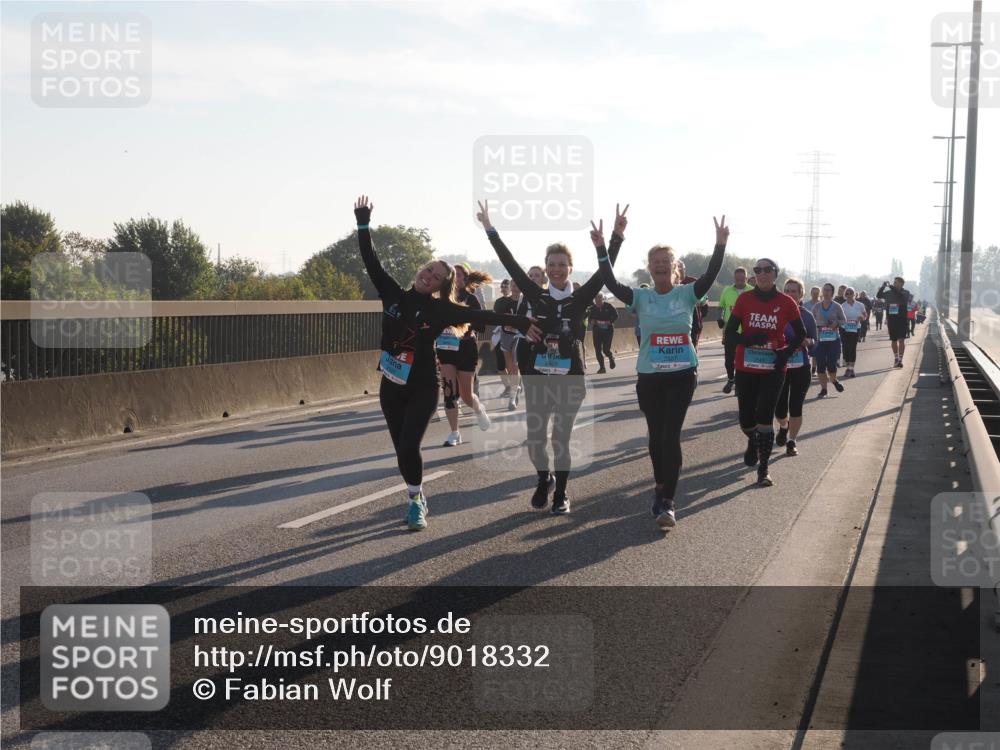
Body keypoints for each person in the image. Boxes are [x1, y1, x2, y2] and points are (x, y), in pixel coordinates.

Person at [354, 196, 541, 530]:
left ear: (441, 286)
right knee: (402, 450)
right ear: (419, 272)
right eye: (428, 270)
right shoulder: (394, 295)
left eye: (438, 276)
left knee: (410, 444)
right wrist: (363, 223)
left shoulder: (441, 310)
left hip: (423, 385)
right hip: (391, 385)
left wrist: (521, 323)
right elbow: (371, 261)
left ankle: (415, 502)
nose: (430, 275)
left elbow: (480, 314)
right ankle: (418, 491)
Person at [478, 199, 622, 515]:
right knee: (534, 439)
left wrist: (614, 238)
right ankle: (545, 479)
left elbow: (604, 273)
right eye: (551, 264)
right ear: (546, 267)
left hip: (570, 378)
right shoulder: (536, 294)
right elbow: (510, 263)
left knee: (561, 438)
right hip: (538, 377)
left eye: (561, 264)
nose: (556, 269)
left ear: (570, 268)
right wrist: (490, 229)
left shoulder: (580, 296)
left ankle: (562, 495)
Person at [594, 210, 728, 528]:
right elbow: (610, 282)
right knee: (655, 438)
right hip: (650, 376)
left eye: (666, 261)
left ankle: (668, 501)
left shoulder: (687, 293)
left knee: (671, 436)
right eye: (655, 262)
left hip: (682, 375)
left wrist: (720, 244)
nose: (660, 266)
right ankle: (659, 487)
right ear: (649, 267)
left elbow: (709, 276)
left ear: (675, 266)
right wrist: (607, 245)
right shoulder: (640, 297)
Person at [724, 259, 807, 486]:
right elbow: (729, 334)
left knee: (764, 417)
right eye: (758, 270)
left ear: (775, 274)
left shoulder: (786, 302)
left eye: (767, 270)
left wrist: (786, 352)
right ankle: (754, 440)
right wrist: (747, 338)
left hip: (774, 367)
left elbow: (801, 333)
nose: (761, 273)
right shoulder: (744, 299)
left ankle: (764, 469)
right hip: (746, 366)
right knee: (745, 419)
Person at [437, 262, 494, 447]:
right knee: (449, 391)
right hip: (446, 348)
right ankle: (455, 433)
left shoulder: (471, 299)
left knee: (466, 395)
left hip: (466, 348)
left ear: (465, 279)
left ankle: (478, 409)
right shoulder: (440, 298)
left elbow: (482, 326)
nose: (456, 277)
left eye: (460, 275)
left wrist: (464, 321)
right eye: (453, 274)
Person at [774, 277, 816, 457]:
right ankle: (784, 426)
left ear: (800, 295)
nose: (790, 294)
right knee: (779, 408)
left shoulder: (806, 315)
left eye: (794, 291)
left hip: (801, 366)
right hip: (780, 366)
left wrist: (808, 341)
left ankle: (792, 441)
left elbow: (815, 341)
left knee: (796, 405)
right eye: (787, 290)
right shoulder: (775, 312)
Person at [719, 267, 751, 394]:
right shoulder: (727, 290)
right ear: (734, 278)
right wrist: (720, 318)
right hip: (731, 330)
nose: (739, 282)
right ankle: (731, 379)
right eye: (737, 279)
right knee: (729, 359)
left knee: (742, 357)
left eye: (742, 279)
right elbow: (721, 307)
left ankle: (739, 382)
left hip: (746, 330)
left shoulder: (752, 291)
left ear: (746, 278)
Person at [811, 283, 846, 397]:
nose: (826, 292)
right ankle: (824, 389)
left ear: (832, 292)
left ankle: (834, 380)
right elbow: (811, 322)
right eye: (824, 290)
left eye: (828, 290)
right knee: (821, 366)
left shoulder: (837, 306)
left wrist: (836, 323)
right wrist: (816, 327)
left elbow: (844, 320)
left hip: (833, 340)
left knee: (831, 365)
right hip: (820, 341)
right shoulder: (816, 307)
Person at [493, 279, 524, 410]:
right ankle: (515, 387)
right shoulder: (501, 302)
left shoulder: (526, 302)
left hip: (520, 336)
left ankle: (512, 399)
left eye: (518, 285)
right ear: (511, 286)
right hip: (506, 336)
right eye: (514, 285)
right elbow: (497, 317)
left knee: (515, 367)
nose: (516, 288)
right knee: (510, 368)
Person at [877, 277, 912, 368]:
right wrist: (883, 286)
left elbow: (901, 296)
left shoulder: (906, 292)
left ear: (901, 284)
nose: (894, 283)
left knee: (901, 340)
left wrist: (892, 287)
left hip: (902, 320)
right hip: (892, 319)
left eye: (896, 282)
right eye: (894, 282)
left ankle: (900, 359)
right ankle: (896, 358)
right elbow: (879, 295)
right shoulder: (889, 293)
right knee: (893, 340)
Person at [677, 259, 710, 350]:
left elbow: (704, 301)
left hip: (693, 323)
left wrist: (700, 315)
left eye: (681, 268)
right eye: (676, 268)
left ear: (685, 269)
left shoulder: (694, 282)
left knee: (691, 349)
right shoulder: (669, 284)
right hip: (675, 325)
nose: (679, 270)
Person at [839, 287, 867, 378]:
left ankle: (851, 369)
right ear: (845, 295)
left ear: (854, 294)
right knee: (846, 348)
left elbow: (865, 316)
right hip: (844, 329)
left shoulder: (860, 305)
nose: (849, 295)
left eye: (851, 293)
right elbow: (839, 318)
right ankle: (848, 368)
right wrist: (844, 320)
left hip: (855, 328)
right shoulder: (842, 306)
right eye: (847, 293)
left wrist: (861, 318)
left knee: (852, 347)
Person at [587, 293, 619, 373]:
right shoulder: (592, 309)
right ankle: (602, 367)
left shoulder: (609, 306)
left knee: (606, 349)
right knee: (597, 350)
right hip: (597, 331)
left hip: (608, 331)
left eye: (599, 299)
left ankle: (611, 357)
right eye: (596, 299)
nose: (597, 301)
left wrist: (610, 321)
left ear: (603, 299)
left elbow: (616, 315)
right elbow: (588, 318)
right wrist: (591, 321)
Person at [809, 286, 822, 375]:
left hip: (819, 330)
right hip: (807, 329)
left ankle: (814, 368)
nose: (815, 295)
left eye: (817, 293)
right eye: (814, 293)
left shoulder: (822, 304)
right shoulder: (805, 304)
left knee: (816, 350)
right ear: (811, 293)